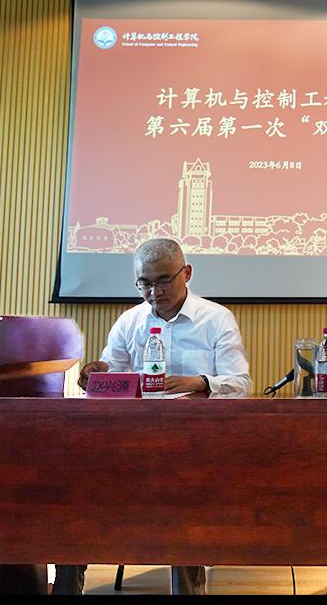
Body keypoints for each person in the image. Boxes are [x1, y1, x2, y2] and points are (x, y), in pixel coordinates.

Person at [53, 238, 251, 596]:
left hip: (194, 443)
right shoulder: (130, 321)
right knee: (76, 490)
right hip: (132, 442)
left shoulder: (216, 319)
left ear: (186, 273)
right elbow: (113, 377)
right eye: (144, 283)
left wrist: (199, 382)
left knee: (182, 498)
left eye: (163, 281)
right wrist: (98, 375)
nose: (153, 292)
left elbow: (241, 384)